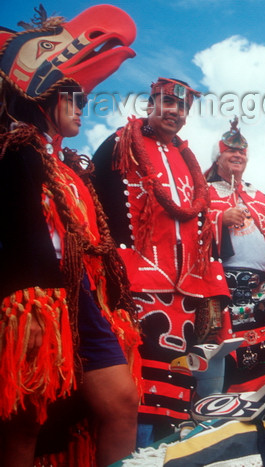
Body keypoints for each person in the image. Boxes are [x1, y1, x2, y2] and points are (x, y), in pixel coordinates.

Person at [0, 5, 140, 466]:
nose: (82, 108)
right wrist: (31, 308)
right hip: (33, 301)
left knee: (121, 403)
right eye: (74, 99)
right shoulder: (14, 151)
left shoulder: (70, 169)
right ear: (44, 96)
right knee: (25, 418)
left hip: (80, 301)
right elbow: (19, 235)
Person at [93, 77, 230, 446]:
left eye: (182, 107)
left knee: (176, 383)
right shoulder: (121, 144)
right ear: (150, 104)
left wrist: (211, 290)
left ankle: (164, 452)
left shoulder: (188, 160)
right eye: (167, 103)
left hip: (183, 290)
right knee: (132, 385)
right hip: (133, 283)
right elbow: (94, 203)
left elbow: (202, 229)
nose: (175, 112)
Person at [203, 119, 265, 394]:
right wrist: (219, 219)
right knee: (227, 348)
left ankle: (261, 404)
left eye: (241, 153)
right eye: (230, 152)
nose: (237, 156)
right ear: (218, 158)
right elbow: (190, 233)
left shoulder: (260, 196)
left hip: (262, 288)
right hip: (222, 285)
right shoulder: (203, 192)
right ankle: (222, 405)